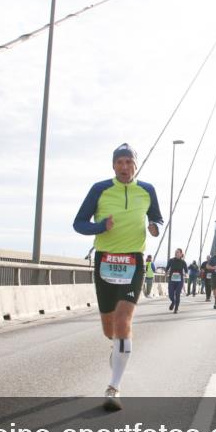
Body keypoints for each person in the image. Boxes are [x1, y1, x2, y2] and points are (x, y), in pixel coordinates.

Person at [73, 142, 163, 412]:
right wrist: (101, 226)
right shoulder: (100, 189)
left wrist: (154, 227)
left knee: (124, 321)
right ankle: (118, 349)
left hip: (133, 262)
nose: (125, 167)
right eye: (120, 162)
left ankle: (113, 387)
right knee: (109, 329)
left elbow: (158, 218)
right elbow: (78, 223)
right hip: (105, 262)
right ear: (113, 165)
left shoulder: (147, 190)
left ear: (136, 165)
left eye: (129, 162)